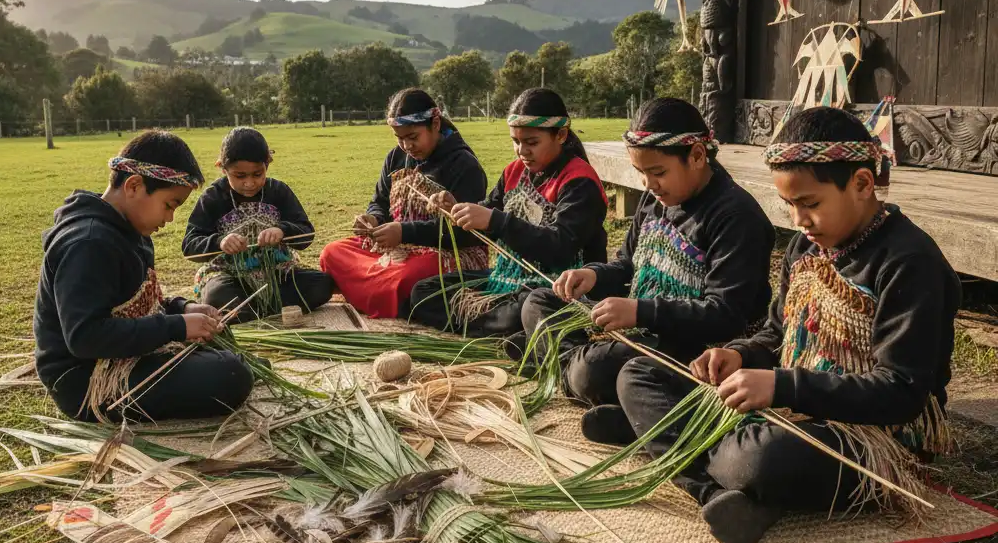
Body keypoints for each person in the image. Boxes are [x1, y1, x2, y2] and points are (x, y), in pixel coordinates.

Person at [616, 106, 960, 543]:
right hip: (794, 413)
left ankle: (677, 447)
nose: (798, 220)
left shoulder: (909, 263)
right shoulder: (806, 244)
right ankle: (716, 492)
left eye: (810, 203)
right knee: (640, 374)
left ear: (861, 183)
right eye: (790, 205)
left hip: (876, 439)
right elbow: (777, 334)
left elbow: (900, 392)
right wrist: (738, 355)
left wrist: (781, 387)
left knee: (760, 456)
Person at [522, 97, 773, 436]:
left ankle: (585, 379)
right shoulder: (656, 197)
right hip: (647, 330)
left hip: (696, 346)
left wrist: (641, 312)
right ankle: (612, 393)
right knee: (539, 302)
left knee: (593, 370)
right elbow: (628, 265)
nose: (649, 185)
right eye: (641, 173)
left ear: (697, 156)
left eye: (657, 173)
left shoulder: (735, 217)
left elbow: (724, 315)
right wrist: (593, 275)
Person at [34, 130, 254, 423]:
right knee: (231, 375)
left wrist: (183, 308)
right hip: (88, 380)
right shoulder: (88, 244)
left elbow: (140, 303)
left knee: (220, 338)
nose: (170, 218)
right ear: (134, 186)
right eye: (169, 205)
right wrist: (176, 327)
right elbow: (85, 337)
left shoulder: (133, 232)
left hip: (120, 357)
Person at [409, 88, 608, 336]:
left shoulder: (579, 181)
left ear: (561, 135)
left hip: (557, 286)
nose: (522, 151)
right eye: (516, 141)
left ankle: (503, 324)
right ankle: (507, 327)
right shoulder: (513, 172)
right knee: (424, 292)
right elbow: (489, 215)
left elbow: (560, 247)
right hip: (508, 277)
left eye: (531, 142)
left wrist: (495, 221)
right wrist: (457, 210)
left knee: (530, 306)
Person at [319, 88, 489, 318]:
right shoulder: (395, 158)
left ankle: (378, 293)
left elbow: (465, 234)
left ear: (435, 123)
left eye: (413, 137)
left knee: (409, 278)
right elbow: (379, 201)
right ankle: (382, 294)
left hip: (447, 252)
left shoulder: (464, 165)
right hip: (398, 249)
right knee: (331, 253)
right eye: (399, 138)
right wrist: (373, 218)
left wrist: (405, 232)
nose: (407, 146)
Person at [183, 127, 332, 320]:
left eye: (257, 174)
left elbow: (306, 234)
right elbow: (190, 245)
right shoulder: (213, 197)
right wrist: (220, 242)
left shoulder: (278, 191)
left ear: (267, 164)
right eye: (240, 176)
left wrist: (282, 231)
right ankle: (264, 306)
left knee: (323, 285)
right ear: (222, 167)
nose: (249, 183)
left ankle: (252, 309)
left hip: (276, 273)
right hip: (229, 275)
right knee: (217, 294)